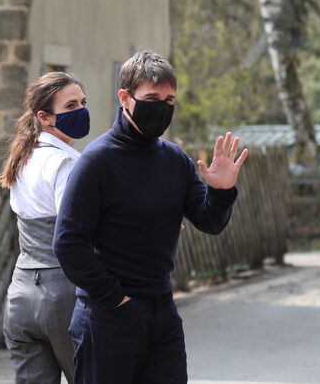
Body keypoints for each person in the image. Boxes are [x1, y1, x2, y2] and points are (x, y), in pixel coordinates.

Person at [53, 51, 248, 383]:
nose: (162, 107)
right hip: (107, 316)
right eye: (152, 98)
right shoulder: (96, 162)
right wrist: (116, 298)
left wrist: (221, 191)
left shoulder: (175, 160)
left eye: (169, 100)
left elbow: (210, 222)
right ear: (125, 98)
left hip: (162, 313)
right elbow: (68, 244)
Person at [0, 72, 89, 384]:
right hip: (64, 292)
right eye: (71, 105)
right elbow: (74, 231)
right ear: (44, 117)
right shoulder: (66, 163)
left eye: (82, 102)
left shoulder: (21, 160)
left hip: (21, 292)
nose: (81, 110)